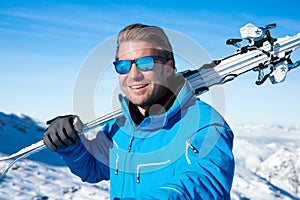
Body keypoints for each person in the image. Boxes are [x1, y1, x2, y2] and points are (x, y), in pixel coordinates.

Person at [43, 23, 235, 199]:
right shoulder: (120, 124)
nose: (133, 75)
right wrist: (70, 145)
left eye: (146, 63)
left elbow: (207, 186)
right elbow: (94, 169)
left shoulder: (204, 123)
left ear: (168, 68)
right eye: (123, 66)